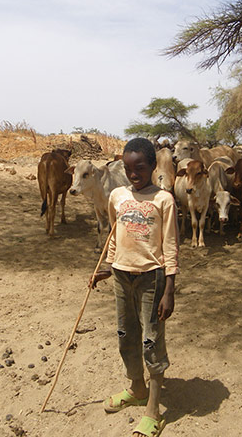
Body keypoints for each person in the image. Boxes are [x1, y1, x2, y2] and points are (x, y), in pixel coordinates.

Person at [91, 137, 178, 437]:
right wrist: (106, 267)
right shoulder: (117, 196)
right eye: (128, 169)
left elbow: (170, 245)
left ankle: (153, 410)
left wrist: (170, 288)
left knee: (151, 340)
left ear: (153, 166)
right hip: (120, 275)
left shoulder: (163, 199)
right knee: (125, 335)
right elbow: (114, 237)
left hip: (151, 277)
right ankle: (137, 388)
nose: (134, 174)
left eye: (140, 168)